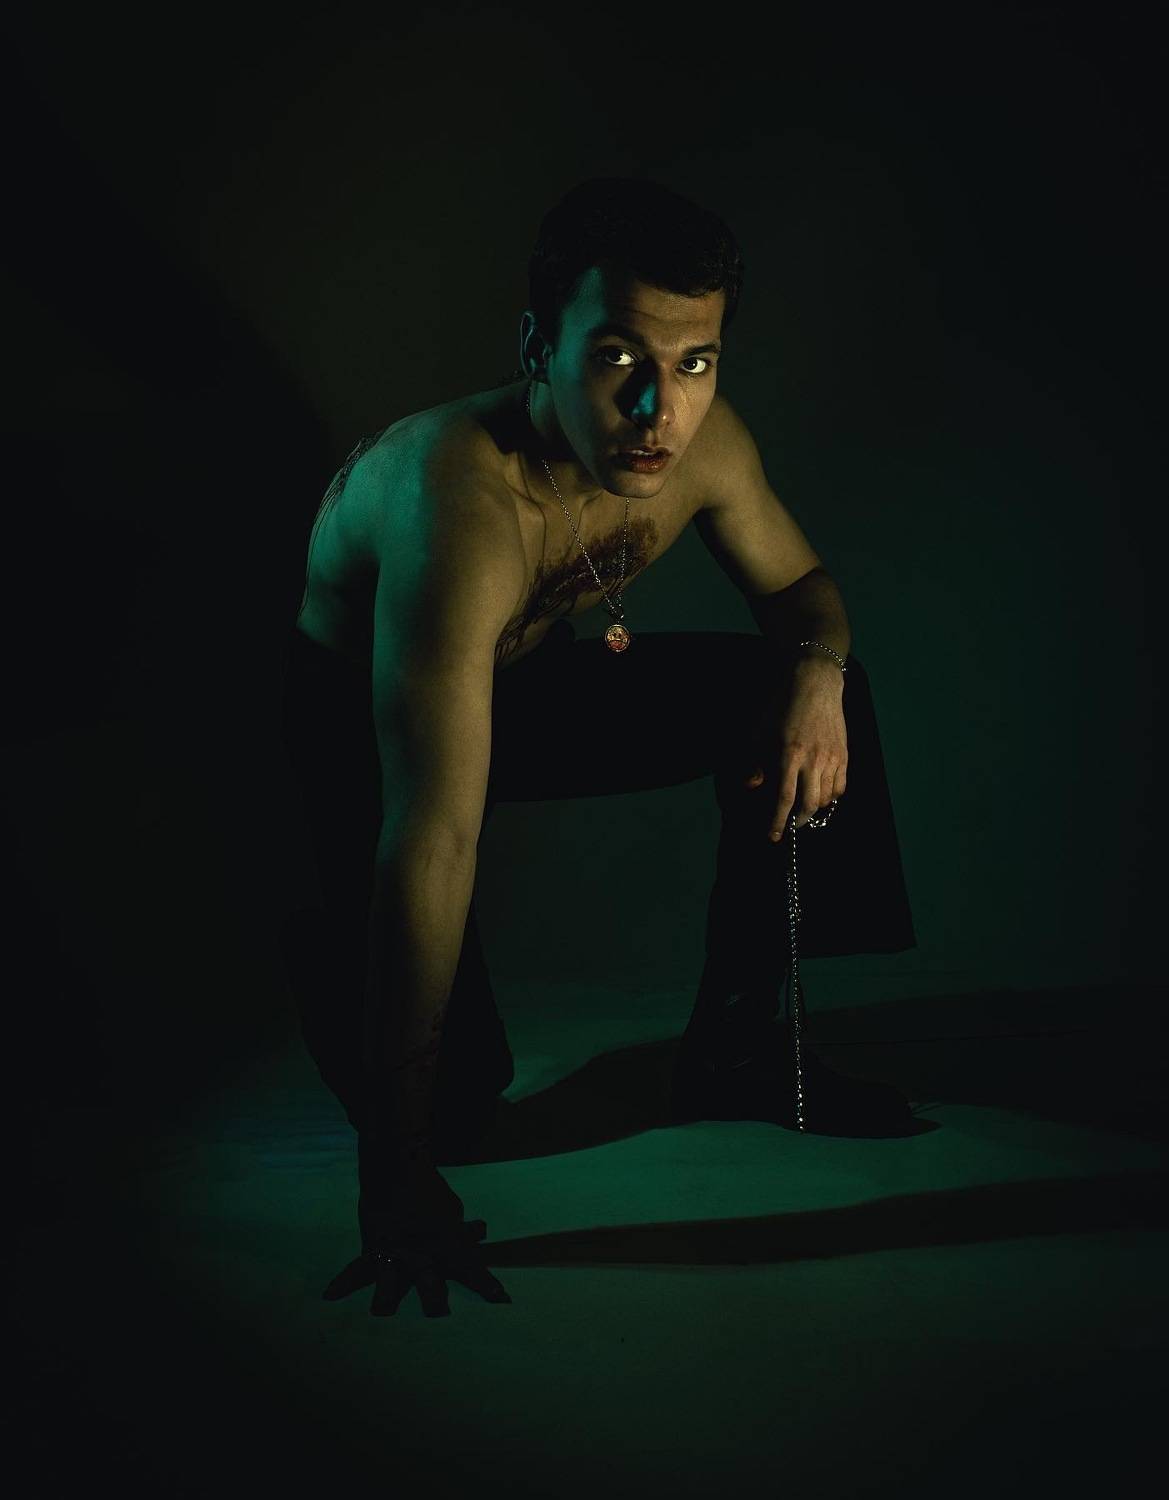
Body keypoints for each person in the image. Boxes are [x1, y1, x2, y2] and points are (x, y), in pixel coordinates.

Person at [278, 177, 916, 1318]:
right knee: (458, 1109)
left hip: (519, 681)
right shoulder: (455, 501)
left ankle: (739, 1050)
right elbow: (433, 837)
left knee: (810, 684)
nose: (658, 409)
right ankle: (384, 1069)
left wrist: (817, 672)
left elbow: (804, 591)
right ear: (538, 346)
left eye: (695, 362)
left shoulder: (704, 446)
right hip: (360, 740)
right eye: (619, 357)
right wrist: (395, 1173)